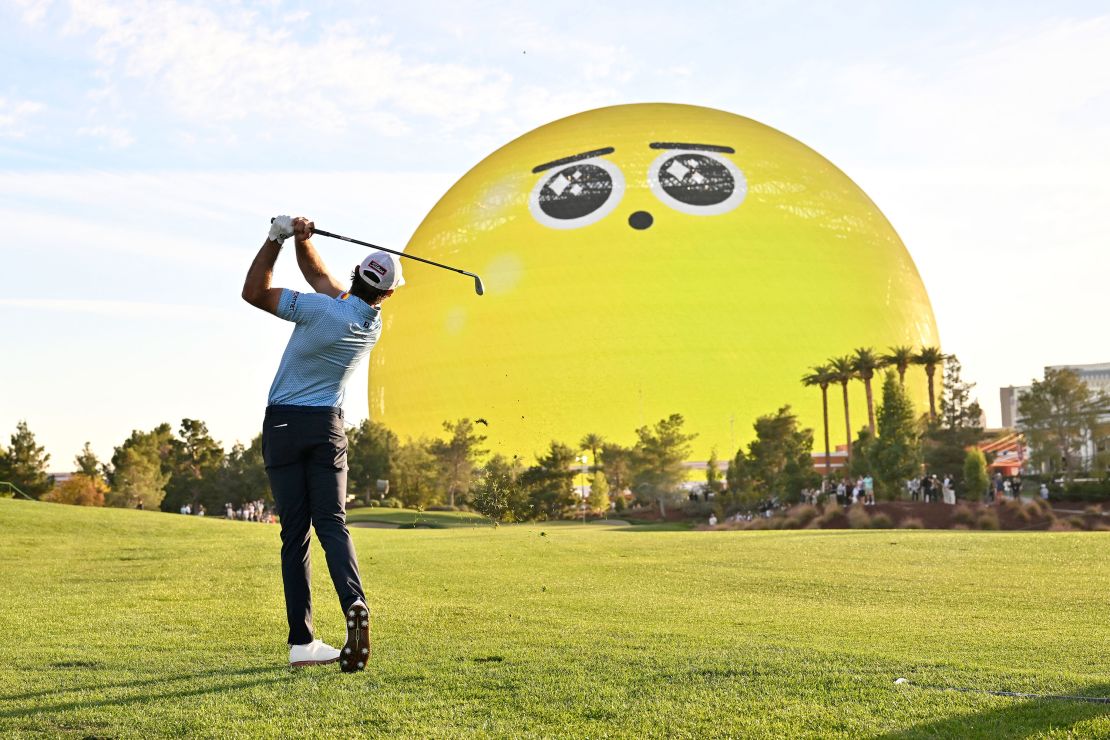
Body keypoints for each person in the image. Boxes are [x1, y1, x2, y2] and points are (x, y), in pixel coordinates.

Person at [242, 214, 401, 672]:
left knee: (295, 536)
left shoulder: (317, 309)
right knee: (333, 526)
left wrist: (275, 238)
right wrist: (302, 240)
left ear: (356, 275)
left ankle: (301, 642)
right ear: (387, 294)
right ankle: (355, 602)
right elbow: (318, 274)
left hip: (285, 426)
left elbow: (254, 292)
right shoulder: (369, 323)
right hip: (328, 427)